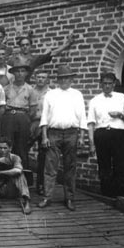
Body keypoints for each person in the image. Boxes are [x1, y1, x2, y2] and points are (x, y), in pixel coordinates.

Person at [38, 65, 87, 211]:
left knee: (70, 167)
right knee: (50, 167)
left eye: (67, 78)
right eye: (62, 78)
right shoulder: (50, 95)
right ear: (58, 80)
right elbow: (44, 117)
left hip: (72, 133)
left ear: (71, 79)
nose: (64, 81)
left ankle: (69, 198)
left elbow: (82, 116)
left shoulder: (77, 94)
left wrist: (82, 136)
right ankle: (47, 197)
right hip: (53, 133)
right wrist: (44, 136)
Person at [87, 72, 124, 198]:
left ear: (114, 84)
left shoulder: (122, 97)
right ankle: (107, 196)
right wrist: (91, 144)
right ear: (100, 84)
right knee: (104, 165)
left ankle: (123, 197)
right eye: (104, 83)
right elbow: (91, 123)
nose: (107, 86)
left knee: (122, 164)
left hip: (119, 134)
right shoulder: (94, 101)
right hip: (102, 134)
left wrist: (120, 115)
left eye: (110, 83)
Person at [0, 139, 32, 214]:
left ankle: (26, 201)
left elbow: (18, 170)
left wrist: (1, 173)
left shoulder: (15, 158)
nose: (2, 150)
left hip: (10, 189)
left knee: (20, 175)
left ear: (10, 149)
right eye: (0, 148)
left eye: (5, 148)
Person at [1, 63, 37, 169]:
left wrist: (24, 119)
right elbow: (2, 106)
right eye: (17, 71)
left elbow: (33, 110)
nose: (20, 74)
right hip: (8, 118)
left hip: (23, 118)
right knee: (6, 145)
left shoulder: (30, 90)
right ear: (13, 73)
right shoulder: (6, 88)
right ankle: (5, 173)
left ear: (26, 73)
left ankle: (22, 172)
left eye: (22, 71)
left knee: (22, 147)